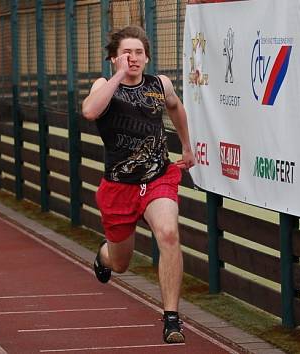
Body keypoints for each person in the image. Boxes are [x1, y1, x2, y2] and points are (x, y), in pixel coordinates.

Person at [81, 25, 195, 343]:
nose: (133, 58)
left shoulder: (160, 84)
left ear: (147, 57)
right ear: (114, 58)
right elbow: (89, 111)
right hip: (119, 185)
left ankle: (172, 318)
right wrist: (117, 76)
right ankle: (104, 256)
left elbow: (174, 106)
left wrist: (186, 145)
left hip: (158, 177)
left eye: (139, 52)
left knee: (169, 233)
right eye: (126, 53)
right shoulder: (105, 84)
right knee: (121, 263)